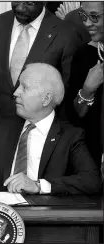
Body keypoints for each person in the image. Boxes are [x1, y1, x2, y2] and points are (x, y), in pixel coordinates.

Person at [0, 63, 102, 195]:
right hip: (1, 217)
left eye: (24, 87)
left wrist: (38, 186)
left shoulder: (70, 136)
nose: (15, 93)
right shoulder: (3, 127)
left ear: (46, 99)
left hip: (45, 219)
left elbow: (91, 181)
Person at [0, 1, 82, 117]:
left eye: (29, 3)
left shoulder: (66, 33)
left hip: (40, 127)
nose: (20, 8)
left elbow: (68, 90)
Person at [65, 2, 104, 179]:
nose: (87, 23)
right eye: (83, 16)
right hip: (93, 160)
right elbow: (74, 117)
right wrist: (87, 89)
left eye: (95, 16)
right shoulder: (84, 54)